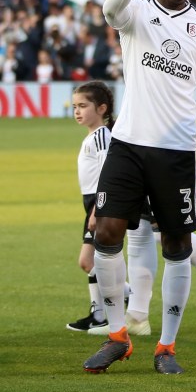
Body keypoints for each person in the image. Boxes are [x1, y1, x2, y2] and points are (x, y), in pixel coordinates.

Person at [82, 0, 196, 375]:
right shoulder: (137, 12)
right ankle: (116, 335)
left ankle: (166, 347)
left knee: (176, 243)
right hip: (128, 145)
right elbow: (110, 9)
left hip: (176, 150)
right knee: (107, 233)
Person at [65, 81, 114, 333]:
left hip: (99, 203)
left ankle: (103, 312)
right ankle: (102, 312)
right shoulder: (94, 136)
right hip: (93, 203)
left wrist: (97, 209)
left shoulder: (102, 137)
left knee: (88, 260)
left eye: (83, 106)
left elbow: (107, 174)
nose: (77, 111)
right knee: (91, 261)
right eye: (75, 106)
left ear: (102, 108)